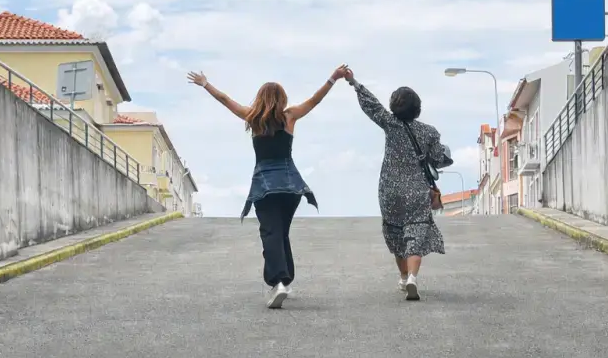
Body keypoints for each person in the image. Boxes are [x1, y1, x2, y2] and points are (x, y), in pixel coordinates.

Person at [187, 65, 349, 309]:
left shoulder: (252, 117)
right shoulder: (290, 116)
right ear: (282, 99)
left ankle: (278, 283)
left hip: (264, 185)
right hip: (291, 185)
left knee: (270, 233)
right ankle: (284, 279)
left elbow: (224, 99)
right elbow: (315, 100)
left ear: (260, 98)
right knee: (280, 232)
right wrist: (332, 78)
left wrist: (205, 83)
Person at [342, 68, 453, 301]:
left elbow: (371, 105)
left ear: (395, 106)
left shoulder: (390, 124)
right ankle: (413, 276)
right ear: (418, 108)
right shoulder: (429, 132)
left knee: (395, 232)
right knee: (416, 232)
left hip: (390, 190)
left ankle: (403, 278)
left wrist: (354, 82)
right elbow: (438, 159)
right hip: (416, 190)